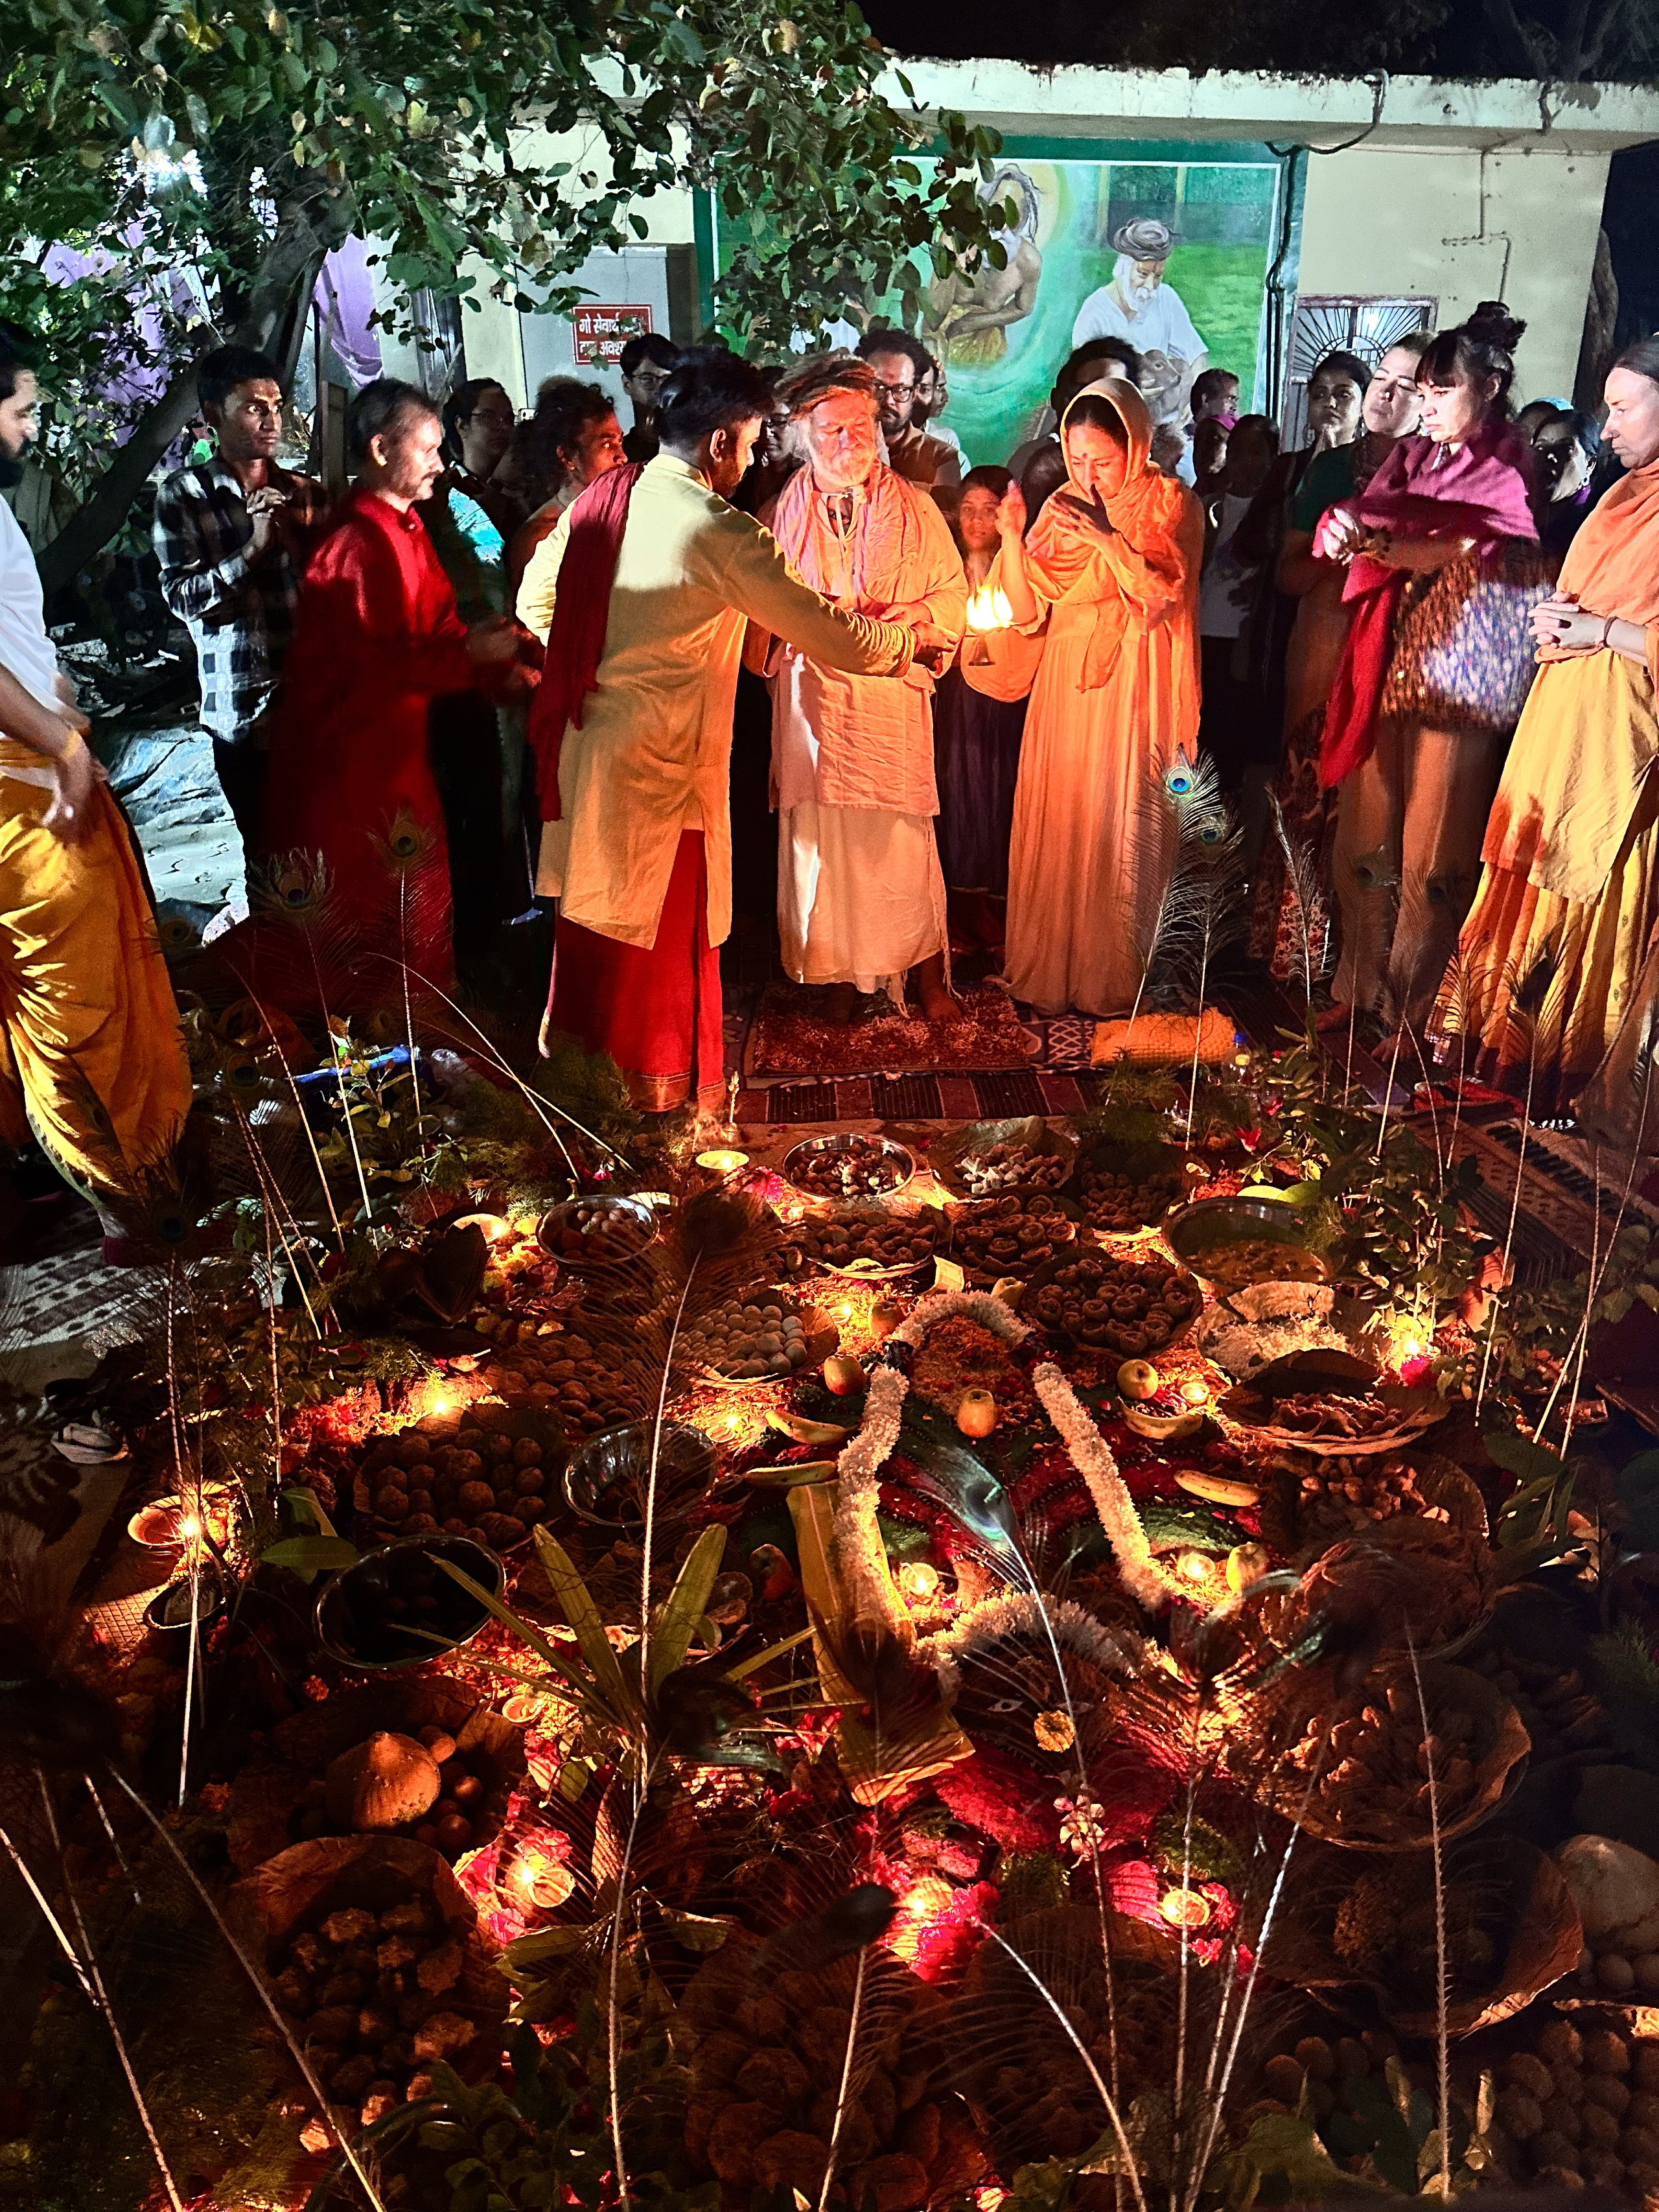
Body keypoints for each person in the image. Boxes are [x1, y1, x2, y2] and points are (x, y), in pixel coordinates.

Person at [515, 348, 939, 1113]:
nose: (749, 460)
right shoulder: (719, 529)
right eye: (747, 443)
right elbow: (824, 631)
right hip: (662, 775)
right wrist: (908, 645)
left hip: (589, 754)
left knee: (597, 938)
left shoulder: (603, 497)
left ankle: (584, 1107)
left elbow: (535, 604)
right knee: (653, 950)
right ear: (719, 443)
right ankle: (656, 1120)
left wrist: (605, 665)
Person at [1431, 343, 1659, 1123]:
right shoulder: (1625, 495)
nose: (1610, 424)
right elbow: (1589, 598)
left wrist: (1600, 629)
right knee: (1526, 868)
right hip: (1562, 717)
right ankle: (1503, 1052)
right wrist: (1562, 623)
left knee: (1588, 892)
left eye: (1625, 406)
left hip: (1622, 737)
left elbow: (1629, 627)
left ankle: (1568, 1071)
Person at [0, 322, 191, 1252]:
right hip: (21, 789)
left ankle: (47, 1184)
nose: (30, 432)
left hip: (31, 762)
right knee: (79, 1000)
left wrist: (56, 695)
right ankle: (127, 1201)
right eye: (22, 411)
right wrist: (61, 748)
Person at [1317, 304, 1551, 1036]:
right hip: (1388, 656)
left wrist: (1441, 548)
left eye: (1442, 390)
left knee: (1432, 846)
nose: (1428, 406)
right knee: (1367, 826)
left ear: (1489, 386)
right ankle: (1356, 986)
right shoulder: (1415, 458)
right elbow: (1374, 513)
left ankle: (1409, 1011)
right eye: (1424, 391)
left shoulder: (1508, 464)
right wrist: (1347, 526)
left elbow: (1509, 550)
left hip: (1458, 670)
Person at [262, 378, 533, 988]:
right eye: (430, 448)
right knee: (370, 923)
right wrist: (474, 655)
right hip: (357, 771)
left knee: (417, 908)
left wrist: (494, 660)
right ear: (382, 450)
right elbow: (380, 666)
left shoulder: (406, 526)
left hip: (401, 757)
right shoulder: (357, 543)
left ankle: (426, 1037)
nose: (441, 462)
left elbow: (436, 631)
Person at [763, 352, 967, 1024]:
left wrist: (907, 623)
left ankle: (925, 973)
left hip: (886, 704)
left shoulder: (917, 509)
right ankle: (836, 978)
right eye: (832, 431)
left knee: (901, 845)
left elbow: (950, 600)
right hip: (812, 711)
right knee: (821, 844)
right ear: (803, 436)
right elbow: (753, 616)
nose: (849, 441)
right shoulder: (775, 516)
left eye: (860, 426)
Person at [990, 376, 1203, 1016]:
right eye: (1077, 460)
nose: (1088, 475)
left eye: (1101, 462)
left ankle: (1112, 975)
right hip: (1067, 682)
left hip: (1135, 683)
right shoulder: (1060, 503)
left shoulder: (1170, 502)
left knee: (1120, 813)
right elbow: (1024, 608)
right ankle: (1052, 969)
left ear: (1134, 447)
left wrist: (1108, 536)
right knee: (1068, 812)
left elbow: (1164, 593)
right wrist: (1009, 535)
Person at [1247, 336, 1430, 983]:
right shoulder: (1329, 473)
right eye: (1380, 377)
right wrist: (1333, 549)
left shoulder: (1441, 477)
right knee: (1308, 783)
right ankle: (1298, 949)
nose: (1386, 393)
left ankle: (1371, 970)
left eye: (1404, 385)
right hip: (1325, 642)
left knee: (1378, 801)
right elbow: (1289, 576)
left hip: (1400, 657)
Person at [153, 341, 327, 894]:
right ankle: (279, 976)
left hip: (312, 705)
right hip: (241, 711)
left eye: (276, 406)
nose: (270, 420)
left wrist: (299, 542)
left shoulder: (305, 494)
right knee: (271, 865)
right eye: (253, 407)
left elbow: (334, 592)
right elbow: (183, 600)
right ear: (211, 416)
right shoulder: (185, 495)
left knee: (328, 852)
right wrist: (252, 548)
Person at [933, 465, 1028, 954]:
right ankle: (958, 915)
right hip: (957, 697)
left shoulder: (1016, 566)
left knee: (999, 793)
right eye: (967, 510)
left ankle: (996, 913)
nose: (975, 521)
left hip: (1004, 700)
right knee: (959, 792)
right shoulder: (947, 564)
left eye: (988, 511)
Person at [1196, 415, 1280, 791]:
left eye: (1255, 451)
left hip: (1245, 637)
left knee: (1232, 741)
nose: (1244, 459)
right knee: (1200, 734)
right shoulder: (1207, 500)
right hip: (1200, 630)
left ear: (1271, 458)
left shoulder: (1278, 509)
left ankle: (1226, 827)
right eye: (1237, 449)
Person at [1070, 220, 1207, 423]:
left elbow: (1197, 356)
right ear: (1123, 267)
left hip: (1165, 420)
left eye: (1158, 276)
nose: (1150, 286)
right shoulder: (1094, 314)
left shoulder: (1166, 298)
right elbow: (1084, 386)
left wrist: (1191, 400)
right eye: (1142, 274)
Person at [505, 379, 627, 605]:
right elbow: (532, 629)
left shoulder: (624, 516)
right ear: (568, 457)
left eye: (620, 442)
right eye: (608, 445)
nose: (622, 457)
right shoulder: (541, 539)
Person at [1008, 336, 1143, 485]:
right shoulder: (1033, 463)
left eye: (1113, 392)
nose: (1101, 405)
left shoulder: (1150, 468)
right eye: (1087, 393)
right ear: (1061, 401)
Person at [855, 328, 960, 498]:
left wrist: (884, 471)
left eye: (901, 390)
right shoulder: (836, 445)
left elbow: (941, 523)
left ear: (914, 393)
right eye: (878, 387)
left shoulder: (940, 457)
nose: (889, 400)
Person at [439, 377, 522, 553]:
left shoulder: (516, 487)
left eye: (508, 419)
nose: (503, 427)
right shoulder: (446, 490)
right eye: (489, 417)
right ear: (461, 425)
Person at [1527, 404, 1601, 557]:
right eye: (1541, 448)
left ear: (1589, 464)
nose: (1550, 457)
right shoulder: (1520, 511)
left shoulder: (1595, 524)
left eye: (1564, 448)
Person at [619, 332, 680, 465]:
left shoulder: (687, 448)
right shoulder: (621, 456)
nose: (660, 388)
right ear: (627, 384)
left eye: (667, 380)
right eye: (647, 380)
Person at [1177, 367, 1240, 487]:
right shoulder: (1175, 445)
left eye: (1236, 400)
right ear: (1206, 400)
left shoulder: (1237, 443)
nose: (1235, 406)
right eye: (1230, 399)